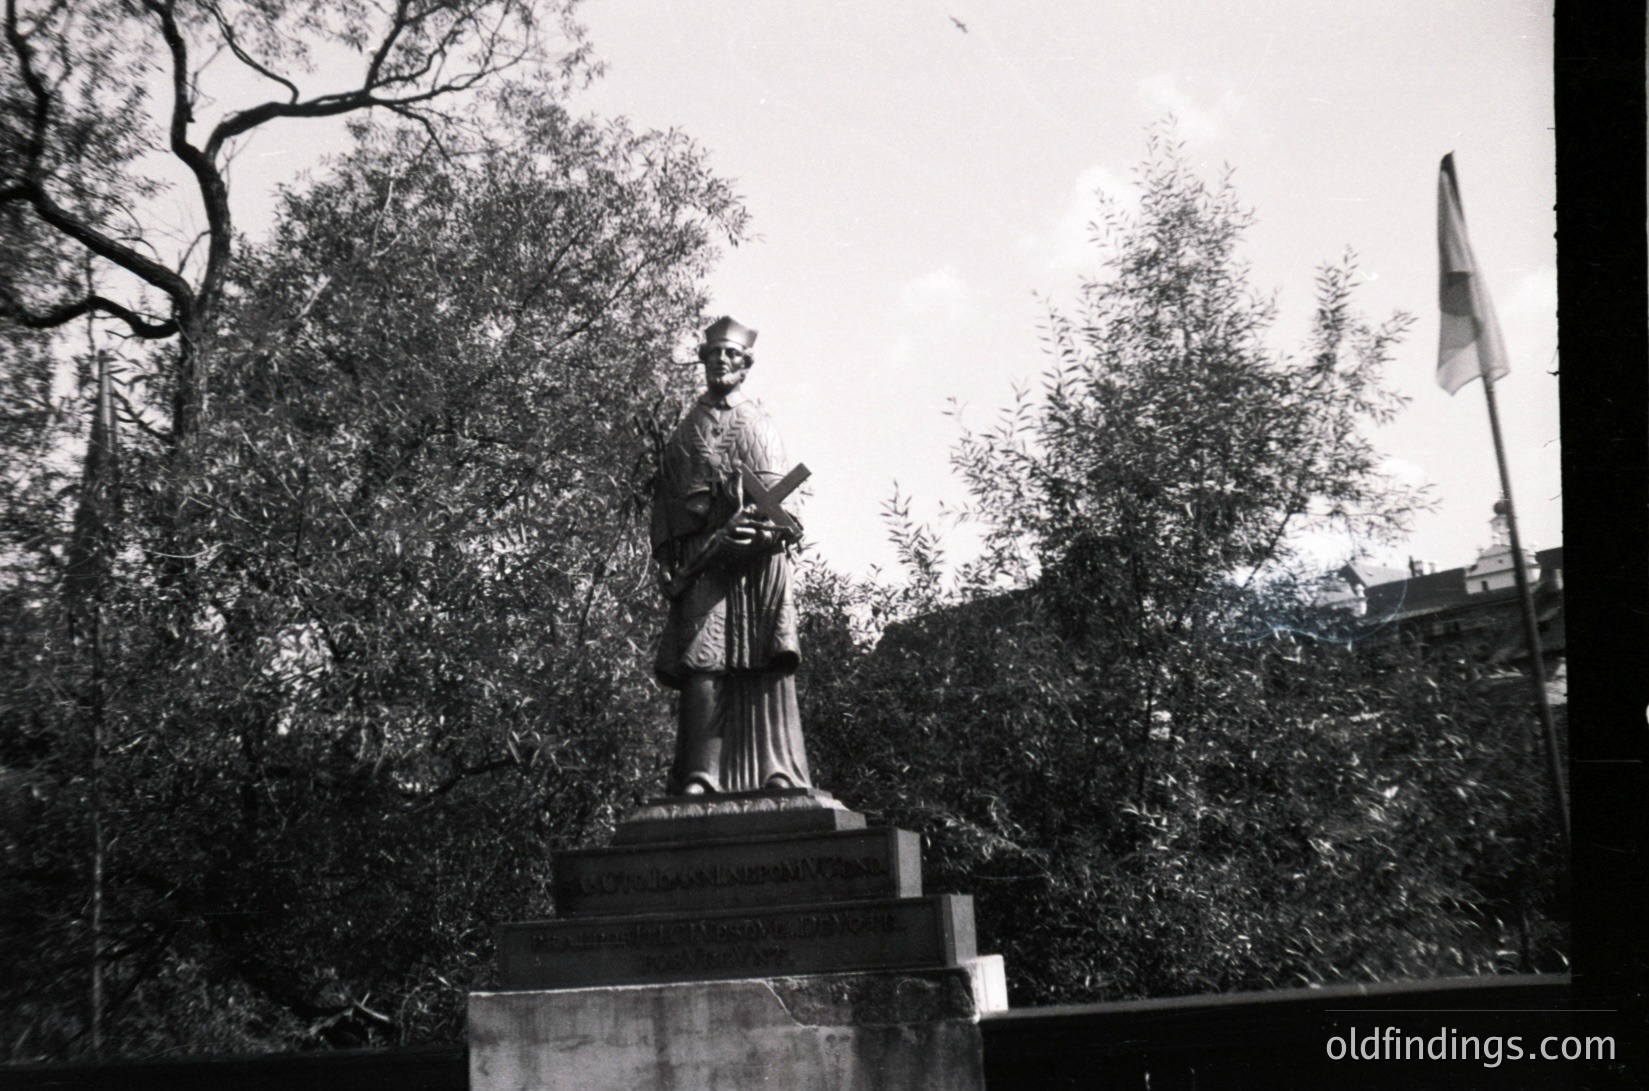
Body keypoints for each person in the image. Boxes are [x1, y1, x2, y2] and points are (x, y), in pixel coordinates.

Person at [650, 317, 811, 795]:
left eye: (731, 355)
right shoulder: (686, 431)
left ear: (746, 366)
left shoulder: (760, 423)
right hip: (703, 557)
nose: (721, 361)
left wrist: (764, 535)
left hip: (755, 561)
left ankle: (775, 771)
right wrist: (664, 557)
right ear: (703, 360)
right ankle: (701, 774)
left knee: (761, 657)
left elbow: (786, 504)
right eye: (713, 353)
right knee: (703, 660)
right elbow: (665, 503)